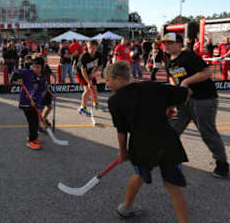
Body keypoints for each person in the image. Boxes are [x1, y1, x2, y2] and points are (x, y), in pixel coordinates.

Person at [104, 61, 191, 223]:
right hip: (166, 140)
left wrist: (123, 152)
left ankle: (126, 207)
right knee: (173, 187)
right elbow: (185, 93)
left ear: (118, 79)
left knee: (139, 175)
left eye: (107, 80)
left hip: (142, 145)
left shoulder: (115, 101)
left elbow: (122, 131)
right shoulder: (151, 86)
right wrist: (168, 108)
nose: (107, 84)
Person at [161, 32, 228, 178]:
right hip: (184, 101)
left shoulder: (188, 56)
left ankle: (222, 165)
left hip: (204, 99)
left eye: (170, 43)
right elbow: (173, 78)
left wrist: (187, 82)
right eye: (164, 43)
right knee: (173, 129)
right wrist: (177, 93)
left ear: (179, 44)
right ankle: (167, 156)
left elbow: (208, 71)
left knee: (207, 132)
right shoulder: (168, 61)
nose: (166, 45)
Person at [12, 57, 47, 150]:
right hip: (25, 102)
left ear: (42, 67)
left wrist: (36, 100)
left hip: (33, 102)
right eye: (34, 66)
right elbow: (15, 71)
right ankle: (31, 141)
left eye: (38, 67)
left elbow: (42, 91)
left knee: (35, 121)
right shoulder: (28, 73)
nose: (35, 69)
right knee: (32, 122)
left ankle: (33, 137)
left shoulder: (42, 77)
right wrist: (17, 78)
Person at [76, 41, 106, 116]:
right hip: (81, 74)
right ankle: (82, 108)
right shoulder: (84, 56)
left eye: (93, 48)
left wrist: (93, 73)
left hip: (90, 73)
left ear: (96, 48)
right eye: (89, 48)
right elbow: (83, 70)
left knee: (95, 89)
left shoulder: (98, 55)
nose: (91, 49)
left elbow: (99, 65)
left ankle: (96, 104)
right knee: (87, 90)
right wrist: (88, 82)